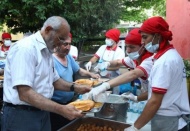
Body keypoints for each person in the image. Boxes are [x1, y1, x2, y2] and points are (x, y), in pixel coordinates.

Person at [87, 16, 190, 131]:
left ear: (158, 36)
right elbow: (119, 63)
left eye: (145, 37)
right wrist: (105, 64)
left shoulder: (163, 62)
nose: (142, 42)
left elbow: (152, 97)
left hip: (170, 120)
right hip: (168, 117)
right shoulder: (166, 56)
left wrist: (135, 127)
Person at [1, 16, 92, 131]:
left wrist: (76, 87)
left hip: (42, 112)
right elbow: (25, 93)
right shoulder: (26, 48)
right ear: (48, 30)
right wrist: (61, 109)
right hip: (21, 115)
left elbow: (54, 81)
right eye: (60, 39)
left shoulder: (47, 51)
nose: (61, 44)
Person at [50, 33, 100, 131]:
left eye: (69, 44)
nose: (68, 47)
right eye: (65, 44)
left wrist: (91, 75)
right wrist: (75, 87)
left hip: (70, 102)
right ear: (57, 44)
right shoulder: (51, 61)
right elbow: (54, 83)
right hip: (56, 105)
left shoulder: (68, 57)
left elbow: (79, 70)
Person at [97, 28, 153, 101]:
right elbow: (118, 62)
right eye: (127, 46)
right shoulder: (133, 59)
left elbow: (133, 74)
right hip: (148, 95)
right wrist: (107, 63)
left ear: (143, 47)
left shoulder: (149, 61)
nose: (128, 50)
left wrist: (105, 86)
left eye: (132, 47)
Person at [85, 28, 125, 94]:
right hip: (101, 77)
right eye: (106, 38)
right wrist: (90, 62)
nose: (106, 40)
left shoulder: (119, 52)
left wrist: (105, 67)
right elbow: (95, 57)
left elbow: (117, 67)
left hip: (113, 78)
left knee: (112, 95)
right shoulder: (102, 47)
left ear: (114, 40)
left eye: (109, 38)